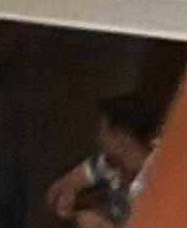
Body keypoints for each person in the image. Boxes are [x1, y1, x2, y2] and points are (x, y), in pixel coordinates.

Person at [43, 90, 161, 220]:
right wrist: (66, 197)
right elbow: (56, 189)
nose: (98, 138)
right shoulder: (108, 162)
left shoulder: (156, 176)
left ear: (121, 137)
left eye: (102, 130)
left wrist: (101, 224)